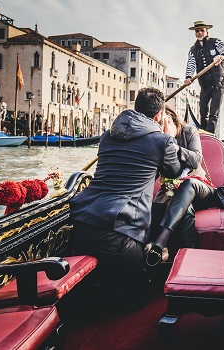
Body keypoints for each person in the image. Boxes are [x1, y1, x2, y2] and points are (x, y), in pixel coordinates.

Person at [70, 87, 183, 306]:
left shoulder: (107, 137)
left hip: (82, 225)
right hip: (119, 233)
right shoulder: (162, 141)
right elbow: (174, 171)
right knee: (144, 293)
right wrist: (169, 139)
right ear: (159, 115)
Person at [147, 107, 209, 265]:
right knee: (175, 208)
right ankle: (186, 256)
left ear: (169, 118)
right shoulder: (156, 138)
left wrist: (171, 144)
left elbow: (196, 160)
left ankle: (161, 242)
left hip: (198, 187)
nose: (159, 128)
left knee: (187, 185)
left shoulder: (189, 131)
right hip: (172, 191)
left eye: (161, 123)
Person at [184, 20, 224, 134]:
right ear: (195, 33)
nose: (199, 33)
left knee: (213, 113)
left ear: (206, 32)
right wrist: (188, 76)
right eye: (197, 31)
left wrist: (221, 56)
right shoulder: (193, 49)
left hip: (218, 82)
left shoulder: (215, 42)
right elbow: (191, 63)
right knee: (203, 111)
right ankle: (202, 133)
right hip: (205, 84)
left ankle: (210, 134)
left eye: (202, 30)